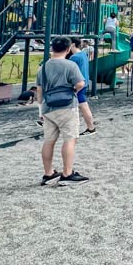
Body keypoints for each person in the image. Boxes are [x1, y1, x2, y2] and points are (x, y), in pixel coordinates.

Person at [36, 37, 88, 185]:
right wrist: (73, 90)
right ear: (68, 49)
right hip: (66, 106)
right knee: (70, 139)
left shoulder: (43, 67)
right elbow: (80, 83)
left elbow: (39, 90)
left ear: (52, 48)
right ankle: (67, 173)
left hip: (48, 107)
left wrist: (41, 110)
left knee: (49, 140)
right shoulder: (70, 65)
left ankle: (48, 173)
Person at [68, 40, 96, 134]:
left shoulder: (74, 57)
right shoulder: (83, 54)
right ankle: (90, 127)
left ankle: (91, 127)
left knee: (83, 105)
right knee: (81, 105)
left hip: (78, 84)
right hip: (84, 82)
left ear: (72, 45)